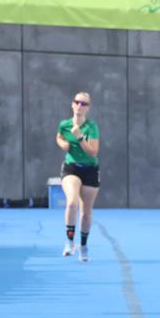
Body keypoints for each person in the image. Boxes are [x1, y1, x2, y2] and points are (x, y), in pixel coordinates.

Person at [55, 92, 100, 261]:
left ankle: (83, 245)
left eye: (84, 103)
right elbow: (59, 136)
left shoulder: (91, 127)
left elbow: (93, 152)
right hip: (71, 167)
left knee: (86, 212)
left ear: (88, 108)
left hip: (90, 169)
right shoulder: (64, 124)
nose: (80, 106)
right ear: (72, 105)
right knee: (72, 202)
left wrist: (79, 137)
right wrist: (63, 144)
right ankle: (69, 242)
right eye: (77, 102)